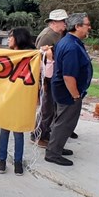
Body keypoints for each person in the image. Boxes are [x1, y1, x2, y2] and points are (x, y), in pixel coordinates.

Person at [45, 13, 93, 166]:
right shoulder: (71, 46)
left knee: (61, 120)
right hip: (68, 91)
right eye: (87, 25)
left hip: (64, 90)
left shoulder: (69, 41)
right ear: (77, 26)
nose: (89, 28)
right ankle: (53, 153)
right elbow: (68, 76)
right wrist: (75, 95)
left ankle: (56, 147)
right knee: (65, 123)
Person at [0, 27, 36, 176]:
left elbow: (47, 65)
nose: (8, 39)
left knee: (18, 132)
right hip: (6, 99)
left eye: (10, 36)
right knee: (4, 131)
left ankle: (18, 162)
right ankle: (1, 160)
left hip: (21, 100)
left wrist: (47, 54)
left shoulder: (32, 56)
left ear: (18, 38)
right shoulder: (6, 55)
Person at [31, 9, 68, 148]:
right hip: (46, 77)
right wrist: (43, 81)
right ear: (54, 22)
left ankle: (44, 133)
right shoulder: (47, 36)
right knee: (47, 108)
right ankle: (38, 134)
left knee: (51, 107)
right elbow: (38, 59)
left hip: (53, 75)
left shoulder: (58, 34)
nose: (65, 24)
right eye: (62, 21)